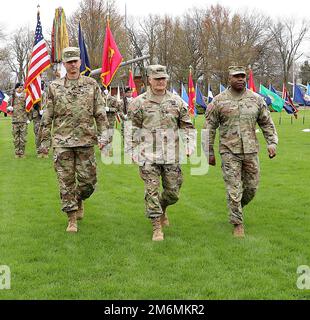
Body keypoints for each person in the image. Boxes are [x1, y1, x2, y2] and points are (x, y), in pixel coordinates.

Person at [203, 66, 278, 238]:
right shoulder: (218, 101)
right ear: (229, 78)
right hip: (229, 152)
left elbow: (266, 123)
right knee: (234, 188)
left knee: (251, 188)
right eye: (236, 76)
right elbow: (209, 128)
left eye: (242, 76)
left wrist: (272, 143)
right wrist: (209, 152)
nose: (240, 79)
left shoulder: (256, 100)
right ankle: (237, 224)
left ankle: (235, 207)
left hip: (251, 151)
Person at [39, 47, 109, 233]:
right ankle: (71, 218)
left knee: (88, 183)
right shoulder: (55, 87)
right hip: (62, 142)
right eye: (69, 61)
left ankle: (79, 198)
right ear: (64, 64)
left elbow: (100, 114)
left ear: (80, 62)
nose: (72, 65)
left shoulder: (91, 85)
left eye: (75, 61)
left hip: (86, 141)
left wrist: (105, 138)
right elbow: (47, 117)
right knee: (65, 181)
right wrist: (44, 144)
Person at [127, 64, 195, 241]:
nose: (160, 82)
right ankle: (156, 226)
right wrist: (132, 150)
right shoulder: (139, 103)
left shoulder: (176, 102)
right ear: (149, 80)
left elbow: (187, 126)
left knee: (173, 193)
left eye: (163, 78)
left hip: (171, 155)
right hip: (148, 155)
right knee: (151, 190)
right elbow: (131, 128)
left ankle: (163, 207)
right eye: (157, 79)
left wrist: (189, 145)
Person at [9, 83, 30, 158]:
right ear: (16, 88)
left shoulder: (26, 96)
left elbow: (29, 108)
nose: (21, 89)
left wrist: (28, 118)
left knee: (23, 138)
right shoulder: (12, 97)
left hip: (23, 120)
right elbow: (7, 108)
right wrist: (9, 109)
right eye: (20, 87)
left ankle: (22, 152)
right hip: (15, 120)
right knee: (16, 138)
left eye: (22, 87)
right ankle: (17, 152)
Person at [101, 86, 122, 156]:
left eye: (106, 90)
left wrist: (109, 109)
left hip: (110, 120)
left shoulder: (113, 99)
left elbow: (117, 109)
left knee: (110, 135)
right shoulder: (100, 99)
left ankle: (109, 150)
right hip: (103, 120)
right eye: (104, 90)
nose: (105, 92)